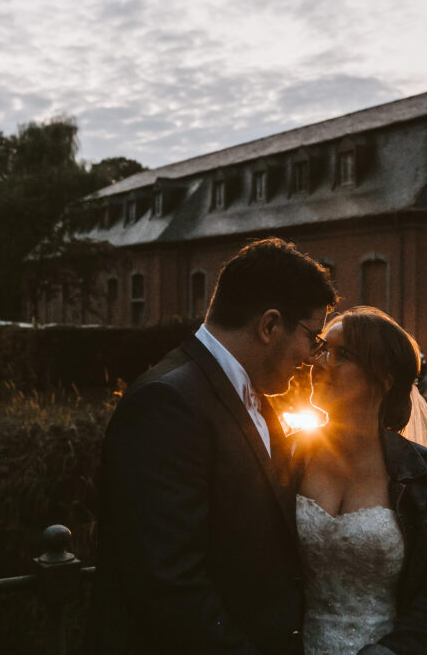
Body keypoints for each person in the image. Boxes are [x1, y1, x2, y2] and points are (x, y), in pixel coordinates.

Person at [90, 237, 337, 654]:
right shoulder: (166, 404)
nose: (312, 357)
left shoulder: (249, 394)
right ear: (269, 326)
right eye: (312, 337)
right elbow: (169, 583)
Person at [292, 306, 427, 655]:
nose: (320, 363)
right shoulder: (287, 459)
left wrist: (393, 650)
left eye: (341, 354)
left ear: (384, 377)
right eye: (322, 349)